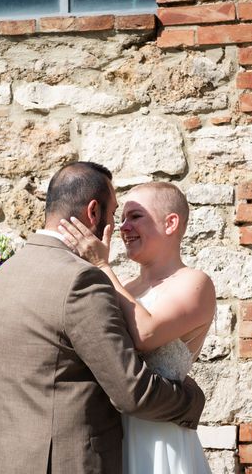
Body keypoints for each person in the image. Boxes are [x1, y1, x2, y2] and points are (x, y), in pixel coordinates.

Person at [0, 163, 206, 474]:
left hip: (14, 458)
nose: (118, 226)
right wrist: (191, 400)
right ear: (93, 212)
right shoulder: (82, 280)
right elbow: (133, 392)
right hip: (69, 460)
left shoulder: (6, 274)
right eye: (115, 214)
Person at [57, 181, 216, 474]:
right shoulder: (126, 287)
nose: (123, 227)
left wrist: (102, 267)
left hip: (159, 440)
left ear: (170, 223)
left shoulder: (195, 282)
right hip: (113, 434)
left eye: (135, 217)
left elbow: (145, 335)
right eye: (122, 219)